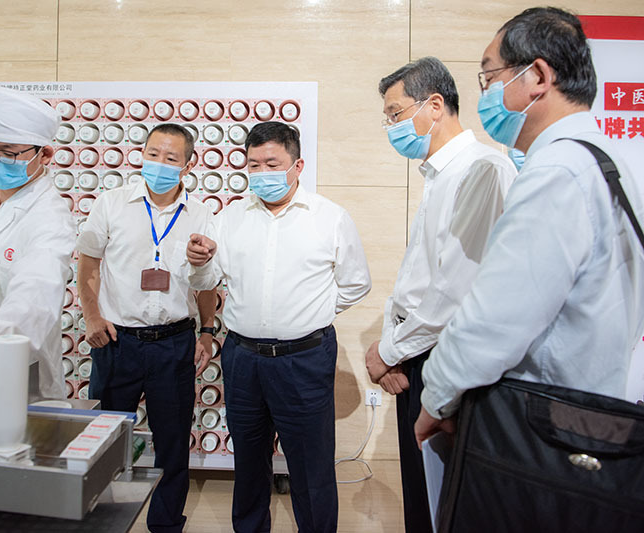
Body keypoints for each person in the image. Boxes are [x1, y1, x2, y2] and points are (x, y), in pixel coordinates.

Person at [415, 7, 644, 447]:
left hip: (537, 425)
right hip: (588, 413)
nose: (485, 93)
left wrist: (437, 398)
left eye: (490, 76)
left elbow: (494, 319)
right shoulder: (608, 162)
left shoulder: (558, 170)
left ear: (537, 76)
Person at [187, 121, 372, 533]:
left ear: (297, 165)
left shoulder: (329, 217)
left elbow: (357, 283)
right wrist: (198, 263)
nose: (261, 173)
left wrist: (313, 312)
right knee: (249, 462)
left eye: (272, 164)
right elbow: (208, 279)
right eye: (253, 165)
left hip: (304, 359)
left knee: (311, 465)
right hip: (243, 358)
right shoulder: (230, 217)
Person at [363, 57, 516, 533]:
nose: (391, 127)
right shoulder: (439, 174)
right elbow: (418, 277)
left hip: (448, 359)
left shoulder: (482, 169)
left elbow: (455, 291)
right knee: (422, 499)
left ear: (434, 105)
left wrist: (388, 351)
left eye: (395, 114)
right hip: (418, 355)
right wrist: (395, 350)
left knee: (447, 504)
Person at [76, 123, 216, 533]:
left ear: (187, 165)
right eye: (153, 154)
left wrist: (207, 332)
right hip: (116, 341)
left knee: (172, 444)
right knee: (104, 439)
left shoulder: (201, 214)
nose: (159, 163)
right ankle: (99, 522)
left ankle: (166, 524)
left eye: (171, 158)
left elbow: (207, 280)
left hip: (173, 342)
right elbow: (88, 263)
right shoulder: (112, 203)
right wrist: (91, 317)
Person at [0, 87, 75, 400]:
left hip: (22, 367)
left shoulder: (50, 215)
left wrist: (2, 333)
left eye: (8, 152)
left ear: (45, 155)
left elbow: (38, 285)